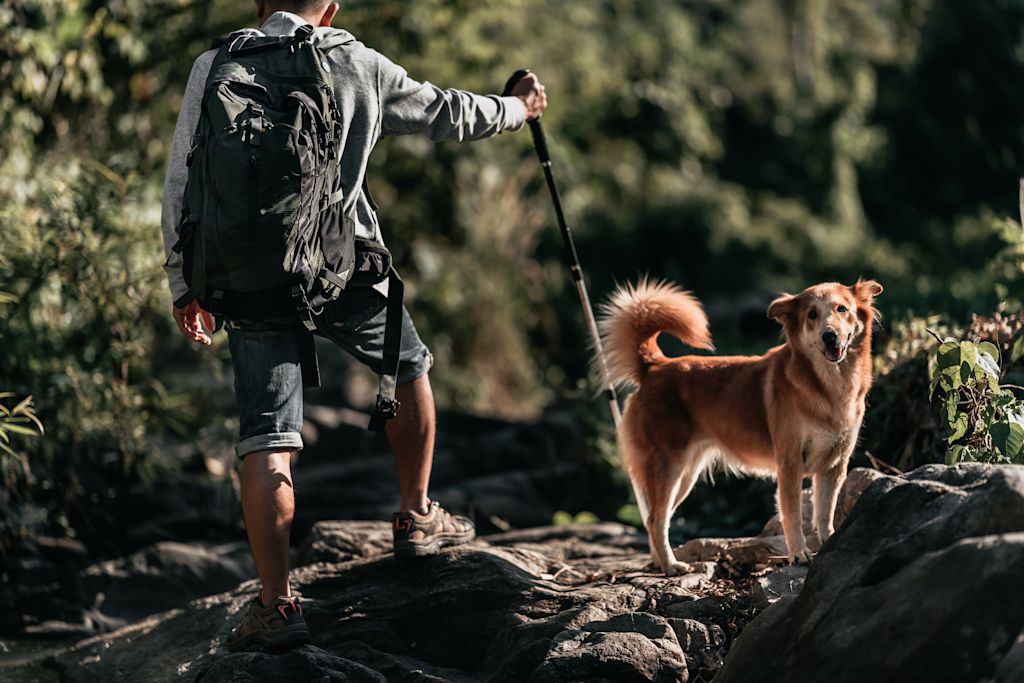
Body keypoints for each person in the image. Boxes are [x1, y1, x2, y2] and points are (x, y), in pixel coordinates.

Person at [160, 0, 547, 652]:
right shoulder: (356, 62)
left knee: (267, 434)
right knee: (410, 362)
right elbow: (448, 113)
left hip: (248, 278)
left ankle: (278, 605)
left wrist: (183, 285)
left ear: (259, 4)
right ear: (330, 9)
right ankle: (417, 513)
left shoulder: (215, 64)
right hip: (342, 266)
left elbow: (180, 180)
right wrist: (519, 110)